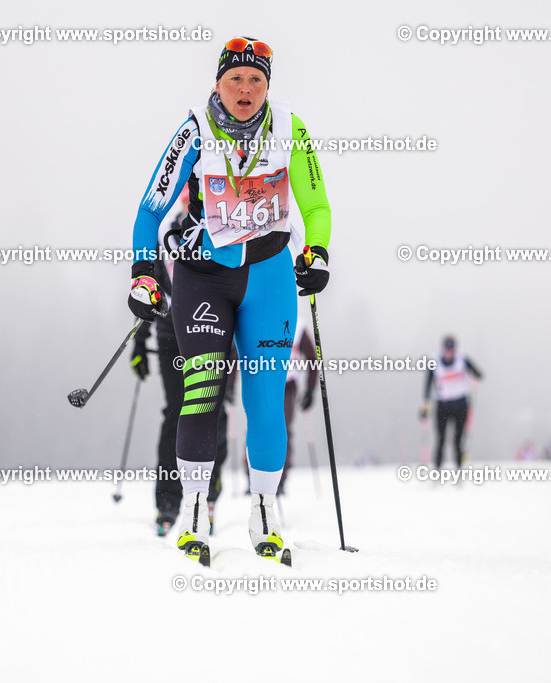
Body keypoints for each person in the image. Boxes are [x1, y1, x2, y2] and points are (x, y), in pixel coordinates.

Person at [126, 37, 332, 566]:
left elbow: (315, 203)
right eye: (235, 79)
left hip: (268, 277)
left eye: (256, 80)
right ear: (218, 82)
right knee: (201, 393)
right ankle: (195, 511)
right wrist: (144, 272)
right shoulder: (195, 129)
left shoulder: (290, 130)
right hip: (202, 279)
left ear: (268, 86)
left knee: (266, 403)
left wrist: (316, 252)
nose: (245, 89)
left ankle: (263, 513)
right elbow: (150, 211)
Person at [130, 189, 231, 537]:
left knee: (214, 409)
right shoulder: (166, 233)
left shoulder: (224, 230)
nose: (192, 204)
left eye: (196, 199)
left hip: (215, 331)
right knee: (176, 412)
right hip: (171, 331)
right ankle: (169, 502)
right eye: (188, 199)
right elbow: (151, 288)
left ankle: (209, 496)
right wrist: (139, 344)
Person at [420, 336, 482, 469]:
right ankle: (437, 470)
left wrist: (476, 375)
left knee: (458, 441)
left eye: (451, 349)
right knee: (441, 439)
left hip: (460, 404)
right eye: (447, 349)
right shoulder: (435, 362)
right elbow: (428, 385)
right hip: (443, 405)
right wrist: (425, 405)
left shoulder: (462, 359)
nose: (449, 352)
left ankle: (458, 469)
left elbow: (477, 372)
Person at [278, 321, 318, 495]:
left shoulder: (298, 326)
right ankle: (253, 477)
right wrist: (231, 385)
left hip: (288, 384)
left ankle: (279, 479)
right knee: (258, 427)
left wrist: (310, 390)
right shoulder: (261, 314)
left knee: (283, 430)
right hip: (263, 381)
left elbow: (312, 359)